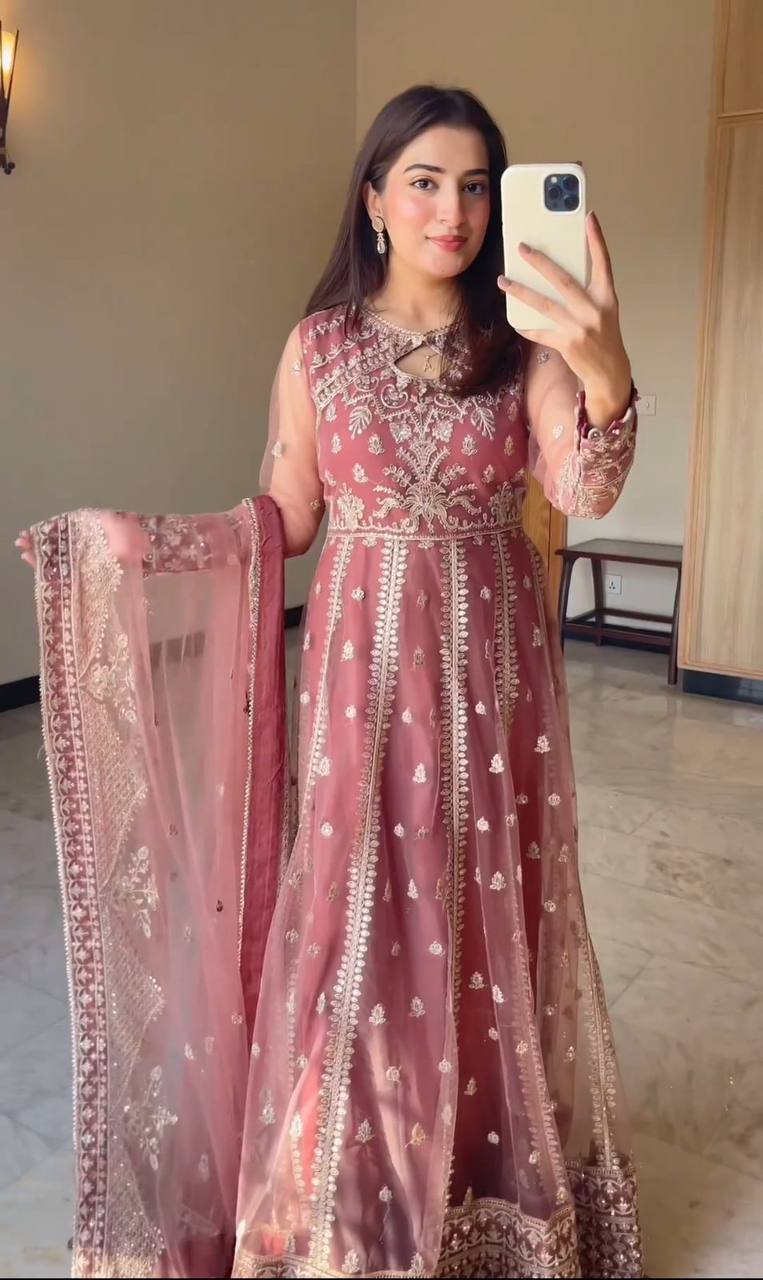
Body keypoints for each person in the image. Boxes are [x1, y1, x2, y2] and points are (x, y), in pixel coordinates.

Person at [18, 84, 642, 1279]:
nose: (452, 210)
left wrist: (604, 369)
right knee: (362, 910)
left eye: (474, 186)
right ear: (372, 200)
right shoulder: (321, 347)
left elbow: (584, 487)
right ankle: (349, 1190)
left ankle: (476, 1179)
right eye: (424, 181)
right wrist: (141, 545)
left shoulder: (523, 347)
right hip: (363, 686)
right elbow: (288, 515)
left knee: (476, 908)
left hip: (493, 687)